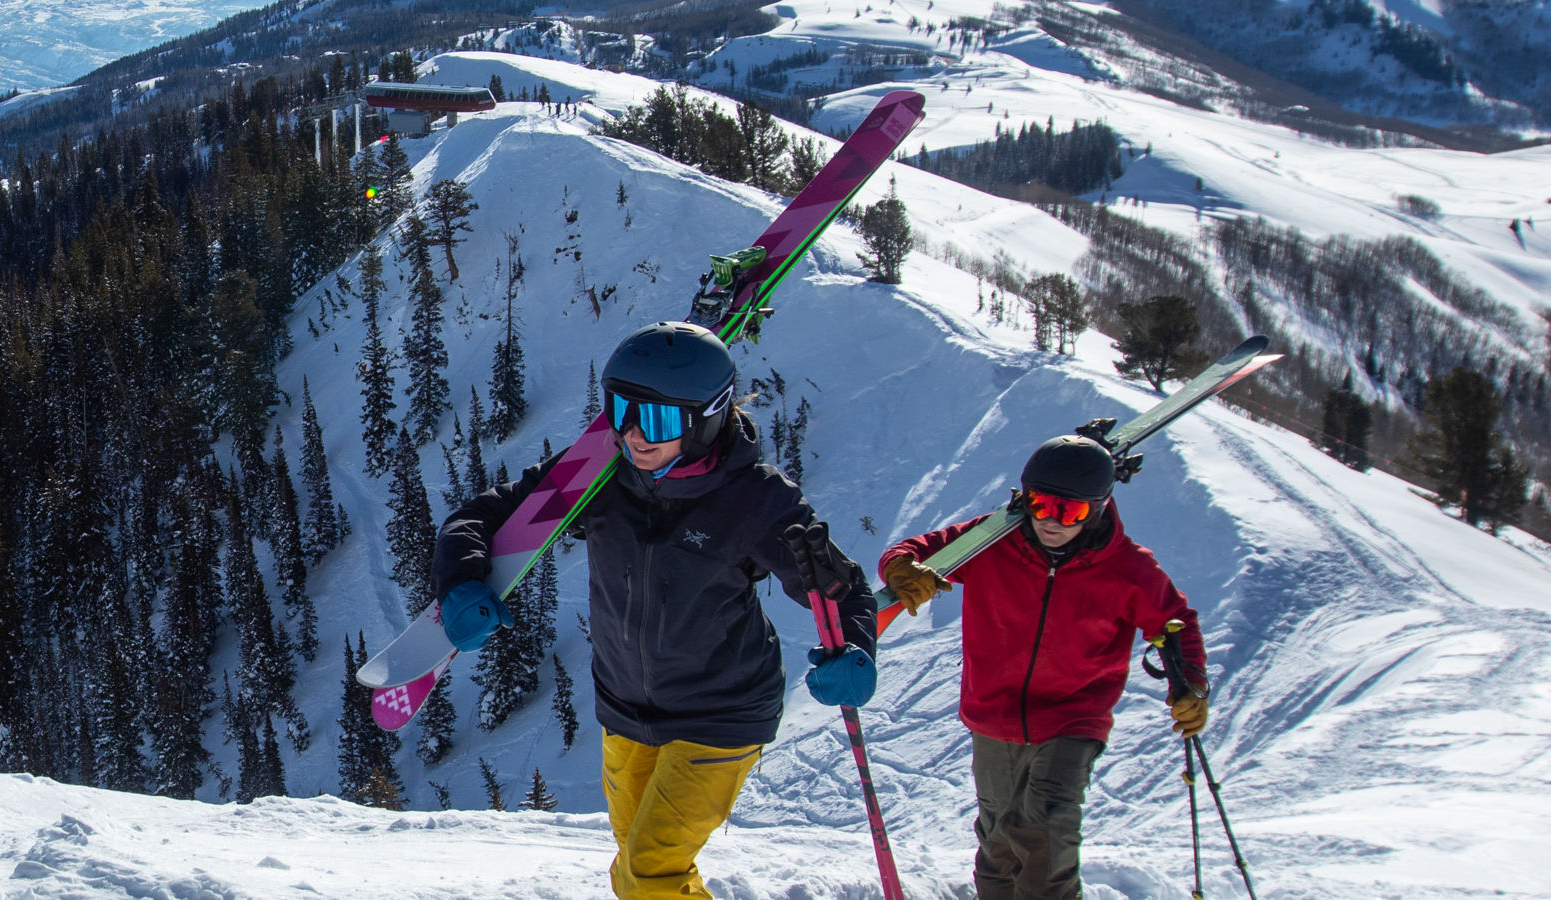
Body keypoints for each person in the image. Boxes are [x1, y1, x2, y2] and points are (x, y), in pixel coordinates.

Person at [431, 321, 879, 899]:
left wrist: (856, 646)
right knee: (633, 869)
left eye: (660, 420)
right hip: (625, 707)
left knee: (650, 872)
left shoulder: (754, 499)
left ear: (707, 419)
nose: (636, 435)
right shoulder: (597, 473)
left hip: (722, 711)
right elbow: (482, 517)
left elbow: (838, 588)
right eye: (620, 410)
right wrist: (461, 579)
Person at [879, 434, 1211, 900]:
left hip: (1073, 718)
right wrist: (902, 568)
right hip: (993, 715)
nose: (1051, 520)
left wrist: (1190, 684)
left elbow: (1177, 625)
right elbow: (912, 549)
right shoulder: (994, 541)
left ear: (1097, 509)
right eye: (1041, 504)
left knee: (1046, 827)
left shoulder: (1128, 568)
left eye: (1070, 512)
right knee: (998, 838)